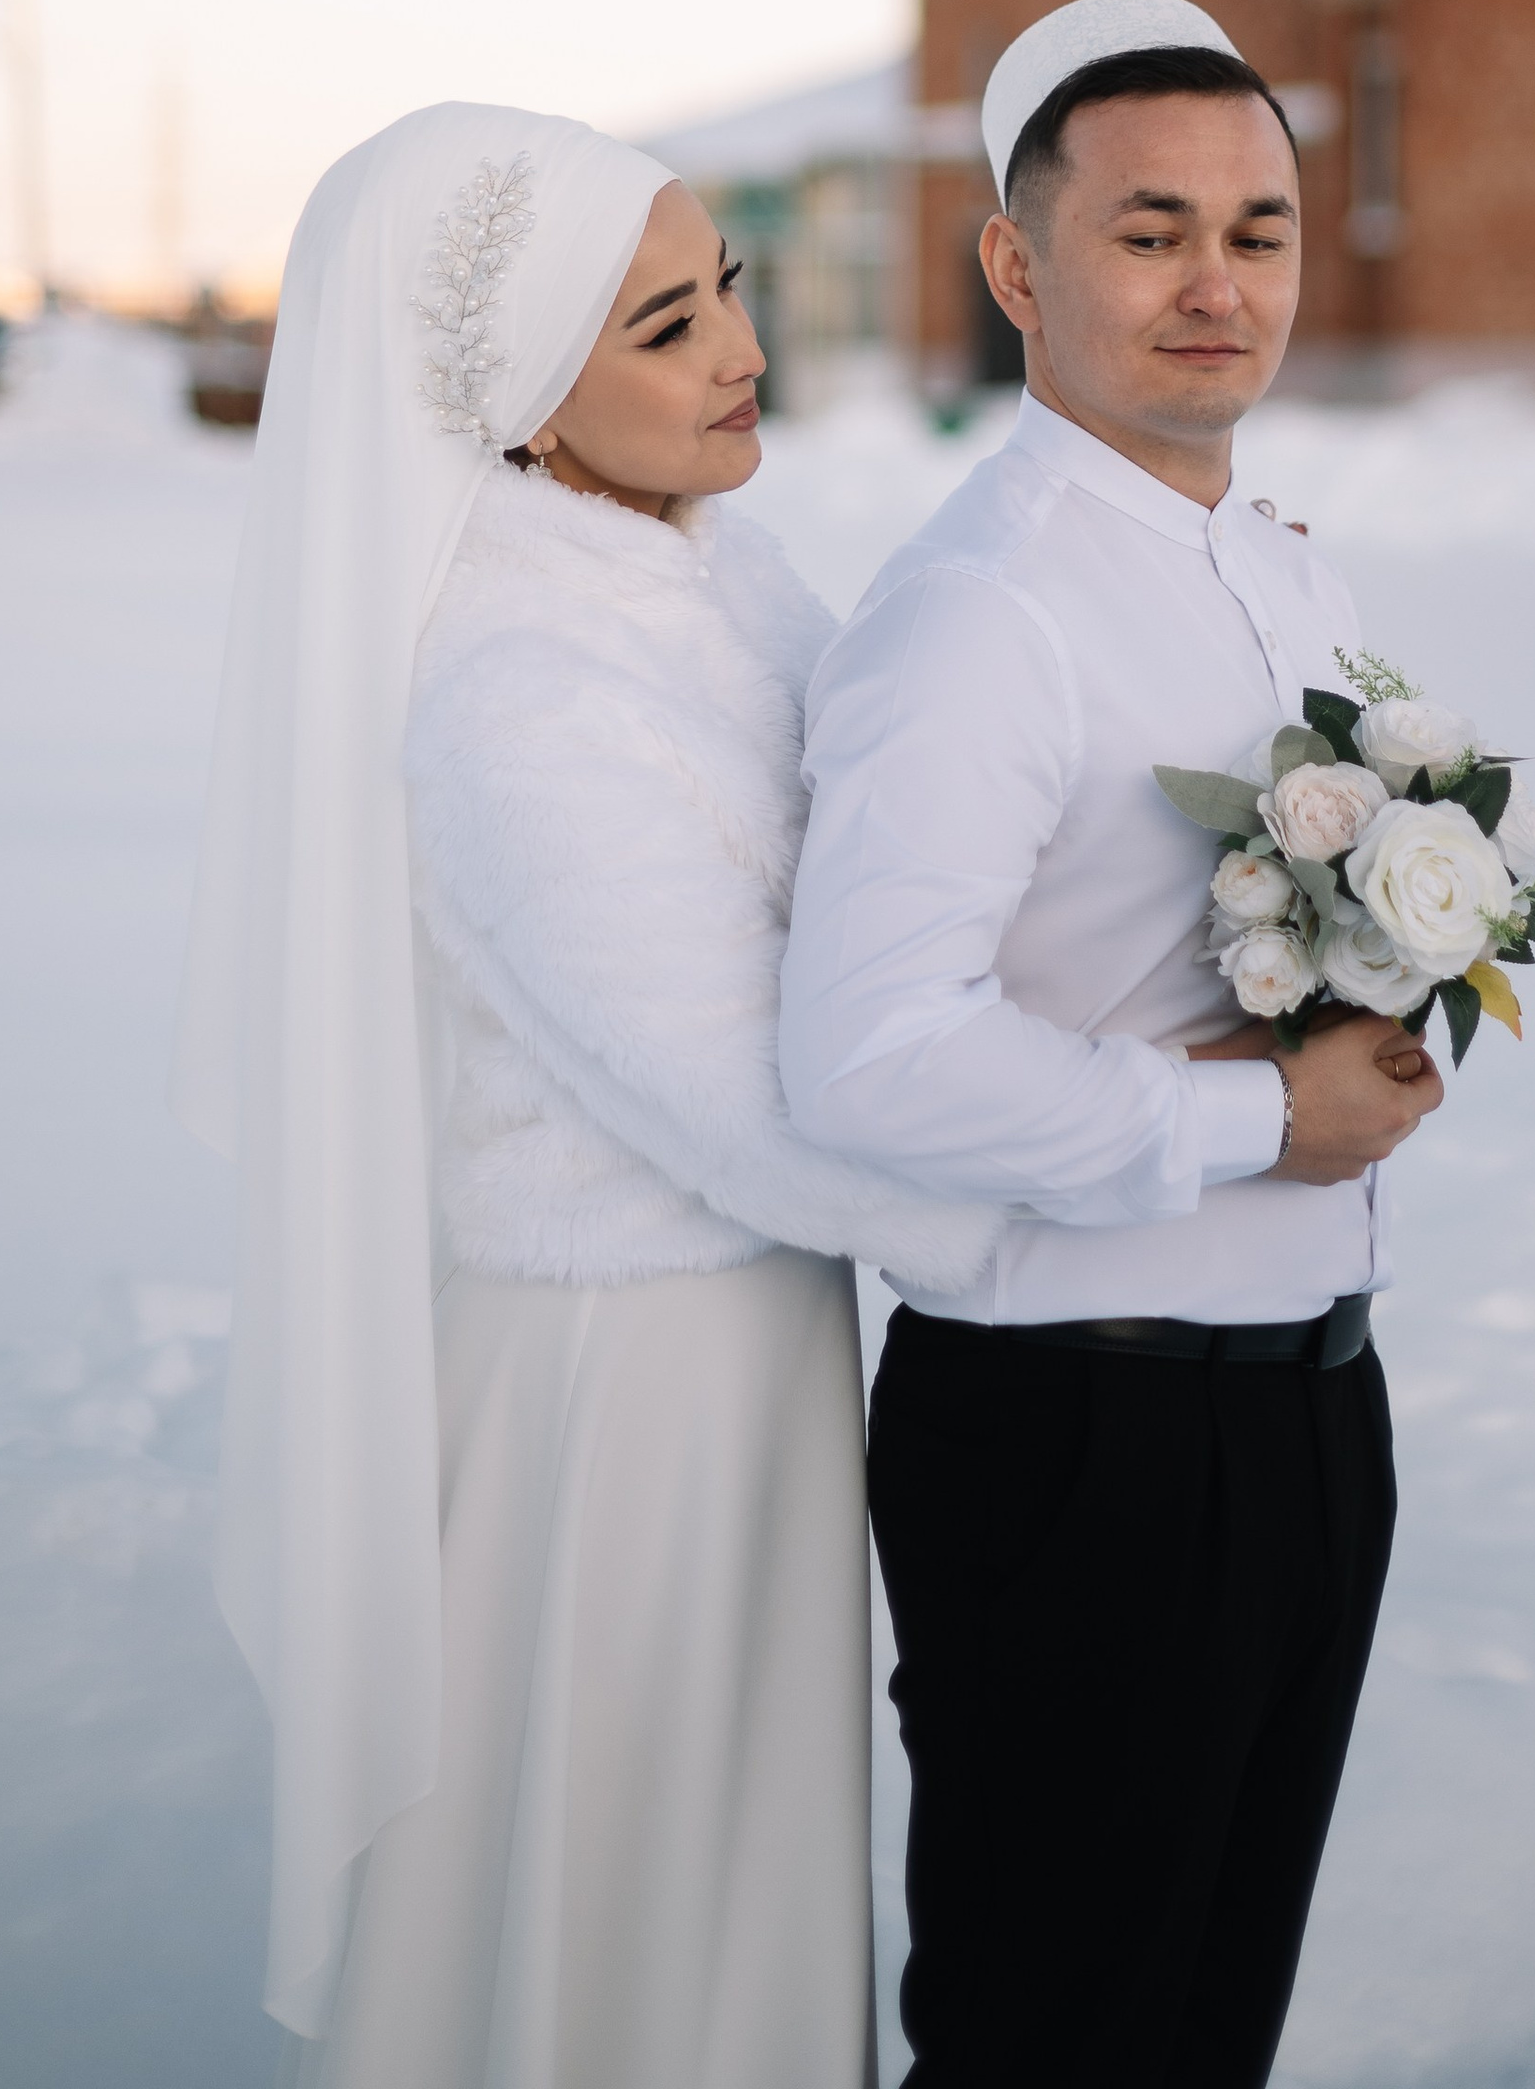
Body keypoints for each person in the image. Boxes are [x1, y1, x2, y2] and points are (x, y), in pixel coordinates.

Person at [173, 102, 994, 2088]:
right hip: (618, 1390)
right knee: (621, 1874)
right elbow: (739, 1106)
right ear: (525, 401)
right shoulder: (514, 690)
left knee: (724, 1864)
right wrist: (1075, 1209)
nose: (740, 348)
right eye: (661, 327)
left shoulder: (713, 576)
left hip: (742, 1345)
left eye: (726, 288)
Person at [780, 0, 1445, 2089]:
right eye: (1147, 230)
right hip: (1079, 1443)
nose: (1211, 284)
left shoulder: (1274, 572)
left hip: (1307, 1419)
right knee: (1050, 2045)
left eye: (1255, 231)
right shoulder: (982, 611)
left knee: (1202, 2034)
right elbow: (871, 1056)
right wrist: (1256, 1123)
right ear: (1013, 264)